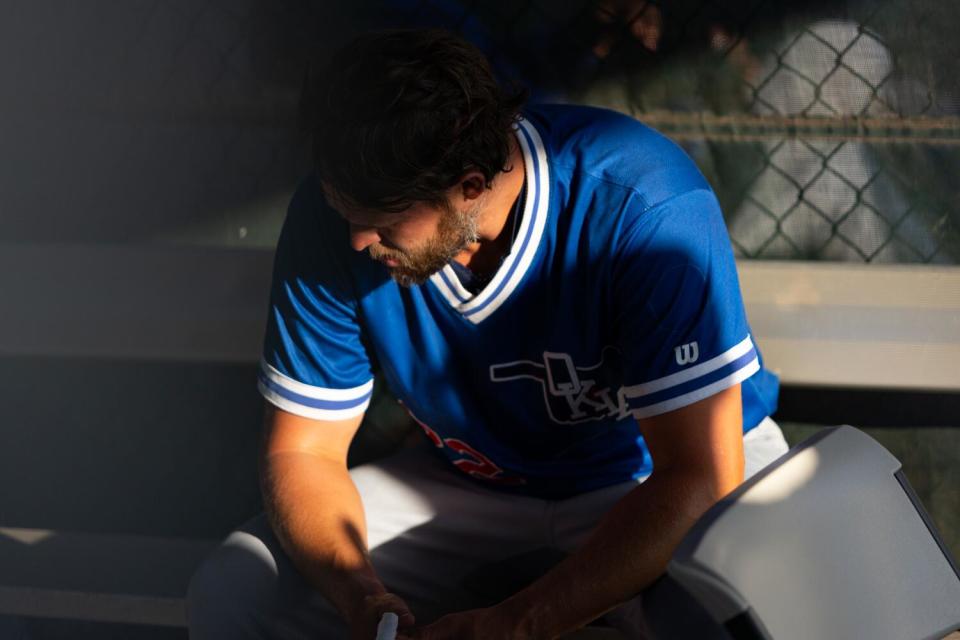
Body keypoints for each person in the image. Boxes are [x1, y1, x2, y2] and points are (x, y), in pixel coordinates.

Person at [187, 28, 787, 639]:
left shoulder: (644, 203)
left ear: (471, 185)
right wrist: (360, 597)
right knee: (240, 590)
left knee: (735, 614)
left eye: (384, 219)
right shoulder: (334, 213)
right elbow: (303, 451)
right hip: (474, 482)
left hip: (651, 478)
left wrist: (518, 623)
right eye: (348, 212)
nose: (358, 240)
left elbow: (699, 476)